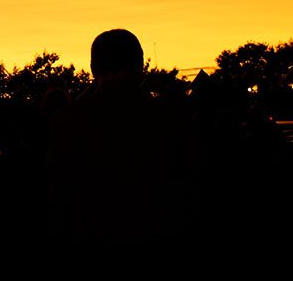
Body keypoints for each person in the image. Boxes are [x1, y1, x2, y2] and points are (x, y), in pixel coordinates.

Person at [47, 28, 205, 263]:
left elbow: (56, 194)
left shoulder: (66, 121)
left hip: (88, 247)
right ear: (141, 66)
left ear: (93, 68)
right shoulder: (172, 120)